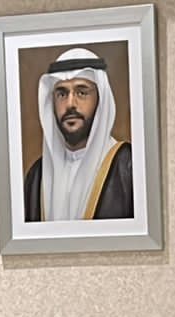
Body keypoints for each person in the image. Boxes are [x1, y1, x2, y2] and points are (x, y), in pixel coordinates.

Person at [23, 49, 133, 222]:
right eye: (62, 94)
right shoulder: (37, 176)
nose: (70, 104)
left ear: (100, 100)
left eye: (82, 92)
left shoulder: (128, 165)